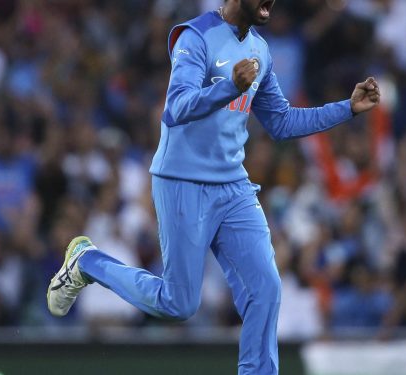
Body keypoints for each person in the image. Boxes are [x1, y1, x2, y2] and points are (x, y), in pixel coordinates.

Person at [45, 0, 381, 374]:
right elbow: (176, 107)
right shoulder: (196, 36)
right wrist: (229, 88)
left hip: (233, 186)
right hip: (182, 181)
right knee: (178, 304)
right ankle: (87, 262)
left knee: (266, 288)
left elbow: (282, 123)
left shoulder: (260, 50)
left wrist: (346, 108)